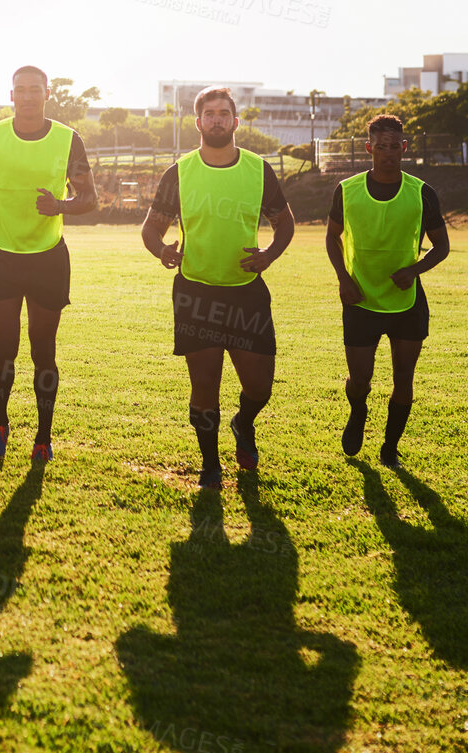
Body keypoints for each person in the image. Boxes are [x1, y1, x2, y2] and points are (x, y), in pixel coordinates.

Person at [141, 85, 295, 489]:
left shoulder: (258, 170)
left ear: (235, 121)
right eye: (208, 114)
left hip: (246, 292)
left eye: (223, 113)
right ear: (197, 123)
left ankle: (243, 423)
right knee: (204, 383)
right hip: (196, 292)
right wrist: (162, 250)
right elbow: (151, 227)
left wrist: (269, 254)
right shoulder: (179, 173)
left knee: (260, 386)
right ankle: (210, 464)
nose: (216, 119)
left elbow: (285, 222)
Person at [0, 65, 97, 461]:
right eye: (21, 90)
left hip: (48, 259)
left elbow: (89, 198)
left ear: (47, 94)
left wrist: (61, 205)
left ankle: (43, 436)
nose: (28, 96)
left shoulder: (68, 140)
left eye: (35, 90)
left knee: (43, 350)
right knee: (4, 347)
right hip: (0, 255)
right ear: (11, 95)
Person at [325, 112, 449, 467]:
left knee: (403, 377)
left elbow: (441, 246)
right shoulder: (346, 190)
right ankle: (358, 410)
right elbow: (332, 237)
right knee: (360, 379)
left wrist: (414, 269)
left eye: (396, 146)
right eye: (382, 146)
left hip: (406, 301)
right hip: (360, 299)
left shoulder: (422, 193)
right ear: (369, 148)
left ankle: (390, 447)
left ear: (404, 148)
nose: (389, 152)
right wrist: (343, 279)